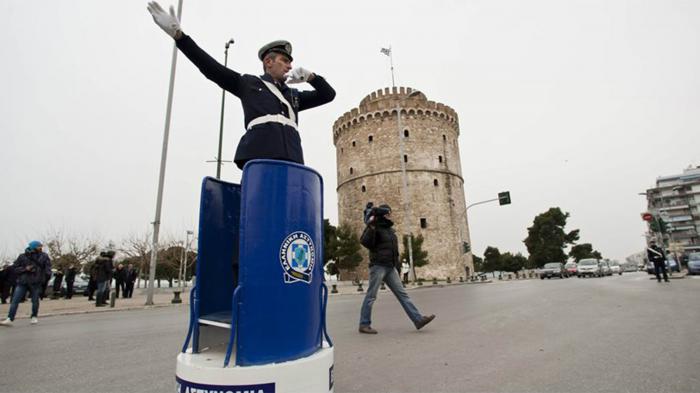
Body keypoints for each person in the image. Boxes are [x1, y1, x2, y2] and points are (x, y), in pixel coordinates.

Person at [147, 2, 336, 170]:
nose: (290, 66)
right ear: (268, 62)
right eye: (284, 60)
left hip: (292, 161)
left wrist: (311, 77)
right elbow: (211, 68)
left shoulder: (293, 96)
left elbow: (328, 95)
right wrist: (180, 37)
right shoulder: (249, 84)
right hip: (260, 158)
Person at [358, 204, 435, 334]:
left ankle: (418, 320)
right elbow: (365, 242)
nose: (390, 215)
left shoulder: (390, 230)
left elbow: (394, 250)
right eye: (388, 213)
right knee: (371, 296)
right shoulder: (374, 226)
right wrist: (371, 226)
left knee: (403, 295)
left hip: (390, 267)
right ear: (383, 214)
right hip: (378, 266)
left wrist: (397, 266)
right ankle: (364, 324)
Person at [1, 241, 52, 326]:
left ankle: (34, 316)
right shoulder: (22, 256)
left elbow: (48, 268)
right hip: (23, 282)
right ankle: (10, 318)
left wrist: (46, 278)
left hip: (36, 282)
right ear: (33, 247)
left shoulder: (44, 256)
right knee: (15, 300)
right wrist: (25, 269)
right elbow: (15, 268)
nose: (41, 248)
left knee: (35, 300)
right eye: (39, 246)